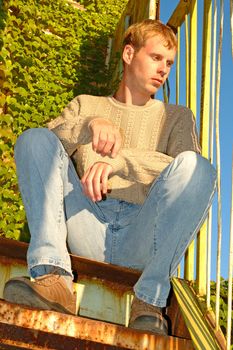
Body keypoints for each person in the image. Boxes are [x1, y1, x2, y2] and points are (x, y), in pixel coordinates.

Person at [3, 19, 216, 336]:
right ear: (129, 54)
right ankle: (54, 278)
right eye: (156, 57)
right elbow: (42, 148)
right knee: (33, 139)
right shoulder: (86, 104)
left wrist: (121, 162)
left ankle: (148, 302)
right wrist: (89, 124)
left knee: (200, 168)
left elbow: (186, 171)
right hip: (85, 222)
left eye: (169, 63)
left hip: (143, 234)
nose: (164, 70)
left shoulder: (177, 117)